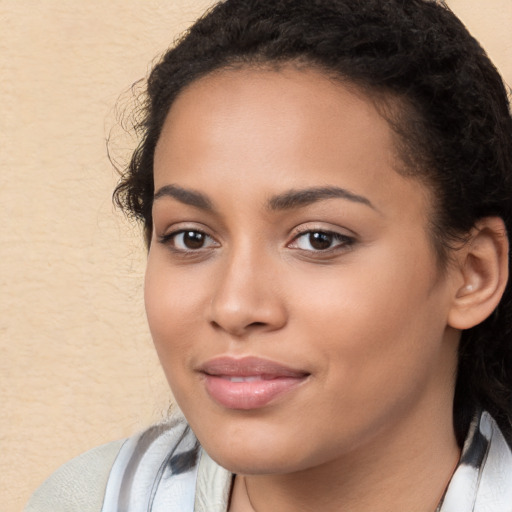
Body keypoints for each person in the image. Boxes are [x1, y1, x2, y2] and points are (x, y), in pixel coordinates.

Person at [26, 0, 512, 510]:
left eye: (318, 239)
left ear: (472, 273)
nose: (234, 307)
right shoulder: (85, 499)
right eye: (191, 237)